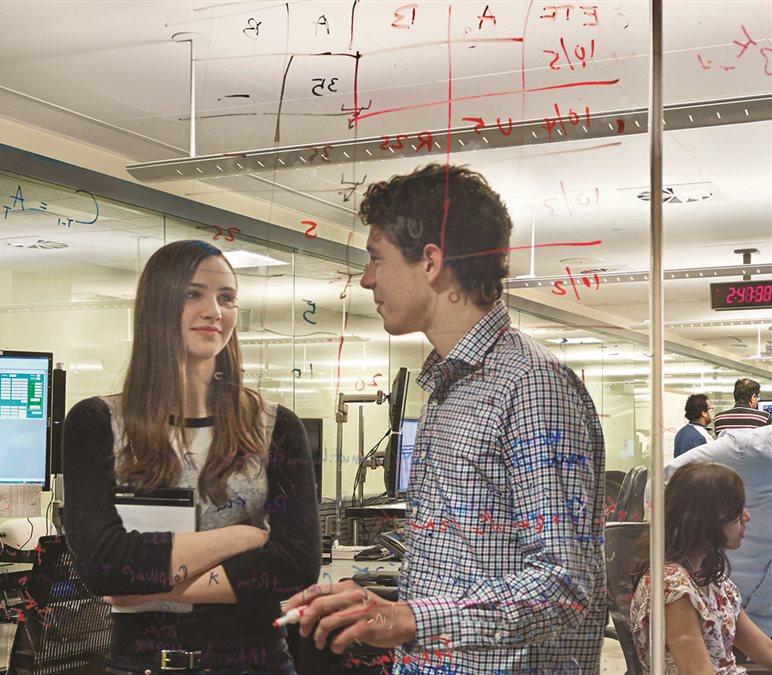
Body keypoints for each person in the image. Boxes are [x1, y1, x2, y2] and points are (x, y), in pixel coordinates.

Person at [283, 164, 607, 673]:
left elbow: (563, 585)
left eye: (376, 259)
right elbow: (465, 567)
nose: (367, 279)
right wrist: (374, 595)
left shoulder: (531, 385)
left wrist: (410, 617)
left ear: (430, 262)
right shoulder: (447, 386)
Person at [63, 240, 321, 674]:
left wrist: (143, 587)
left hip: (253, 663)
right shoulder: (97, 423)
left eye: (227, 298)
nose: (214, 312)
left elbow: (295, 567)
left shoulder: (274, 428)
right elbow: (105, 566)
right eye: (193, 294)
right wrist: (244, 538)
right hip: (143, 664)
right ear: (157, 306)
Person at [631, 462, 772, 673]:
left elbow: (765, 649)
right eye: (736, 510)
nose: (746, 517)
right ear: (707, 517)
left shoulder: (715, 582)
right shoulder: (673, 588)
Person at [662, 425, 772, 636]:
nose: (747, 517)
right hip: (713, 616)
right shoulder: (751, 452)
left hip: (738, 614)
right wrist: (699, 545)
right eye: (738, 510)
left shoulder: (724, 590)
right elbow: (665, 483)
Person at [673, 393, 714, 457]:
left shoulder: (680, 433)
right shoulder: (703, 437)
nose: (712, 411)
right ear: (704, 413)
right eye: (710, 408)